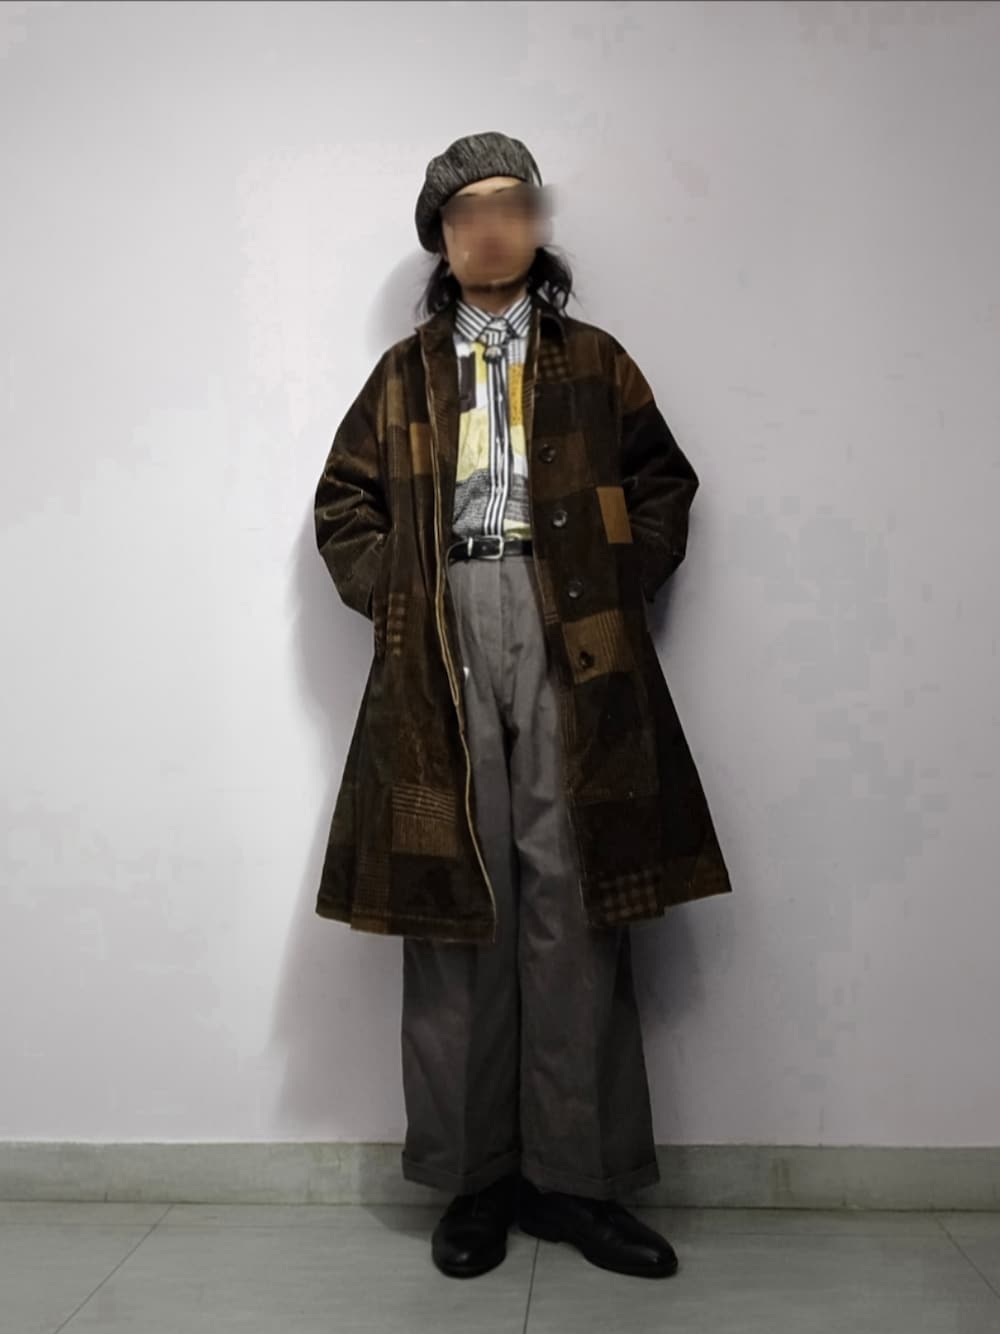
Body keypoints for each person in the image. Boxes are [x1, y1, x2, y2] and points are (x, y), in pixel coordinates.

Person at [313, 131, 733, 1281]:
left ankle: (576, 1181)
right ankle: (476, 1179)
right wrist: (401, 595)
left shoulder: (594, 362)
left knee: (577, 900)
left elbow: (662, 483)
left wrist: (613, 584)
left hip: (573, 638)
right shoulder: (402, 376)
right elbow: (345, 505)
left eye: (511, 205)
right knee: (461, 906)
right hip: (442, 632)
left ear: (537, 224)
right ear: (441, 240)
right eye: (466, 212)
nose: (490, 227)